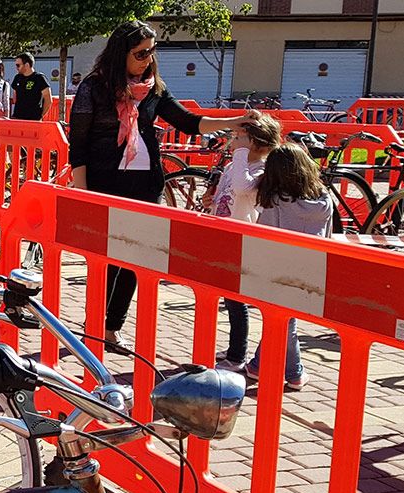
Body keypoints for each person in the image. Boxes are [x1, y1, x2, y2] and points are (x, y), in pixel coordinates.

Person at [69, 20, 259, 350]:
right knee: (106, 258)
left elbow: (188, 121)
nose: (148, 59)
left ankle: (112, 326)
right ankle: (93, 322)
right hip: (104, 183)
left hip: (145, 183)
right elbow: (78, 146)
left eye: (152, 51)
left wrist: (234, 121)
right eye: (141, 53)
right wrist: (83, 193)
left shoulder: (153, 87)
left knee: (135, 258)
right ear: (120, 54)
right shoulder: (93, 88)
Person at [231, 143, 332, 389]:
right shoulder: (324, 199)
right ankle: (259, 364)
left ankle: (293, 372)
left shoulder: (275, 200)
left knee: (283, 321)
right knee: (285, 319)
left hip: (278, 267)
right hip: (311, 266)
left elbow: (265, 230)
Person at [210, 114, 282, 373]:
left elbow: (242, 189)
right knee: (228, 299)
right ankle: (233, 349)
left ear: (254, 141)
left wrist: (240, 154)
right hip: (222, 236)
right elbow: (226, 191)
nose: (233, 140)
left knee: (236, 300)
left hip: (242, 240)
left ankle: (237, 354)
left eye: (239, 136)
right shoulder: (234, 166)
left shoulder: (261, 171)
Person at [10, 52, 52, 121]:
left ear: (26, 65)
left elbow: (48, 100)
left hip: (33, 119)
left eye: (18, 65)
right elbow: (15, 97)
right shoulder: (17, 78)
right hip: (18, 117)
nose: (16, 68)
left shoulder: (39, 78)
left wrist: (40, 115)